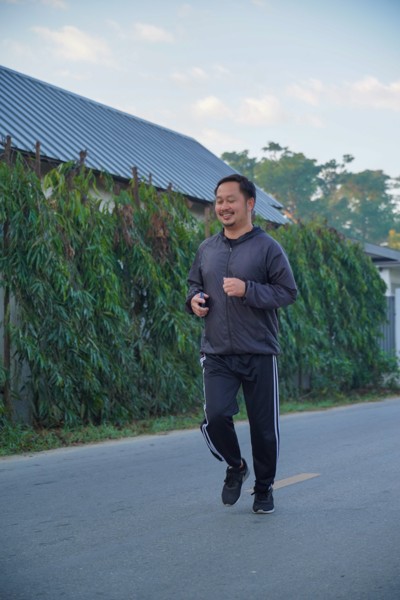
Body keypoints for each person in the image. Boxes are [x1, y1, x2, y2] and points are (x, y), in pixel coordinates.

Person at [185, 174, 297, 514]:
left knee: (263, 429)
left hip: (259, 350)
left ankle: (264, 489)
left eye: (230, 199)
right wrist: (193, 300)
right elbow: (193, 284)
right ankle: (235, 466)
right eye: (219, 200)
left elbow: (287, 292)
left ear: (249, 203)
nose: (223, 206)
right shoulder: (207, 248)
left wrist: (248, 290)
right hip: (216, 351)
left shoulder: (267, 247)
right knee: (216, 416)